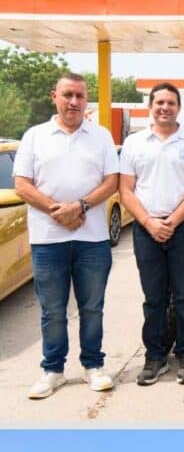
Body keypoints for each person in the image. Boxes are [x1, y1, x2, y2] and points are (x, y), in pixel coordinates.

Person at [13, 72, 119, 400]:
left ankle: (93, 365)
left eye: (80, 96)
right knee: (53, 310)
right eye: (68, 95)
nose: (74, 102)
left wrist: (81, 206)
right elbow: (23, 184)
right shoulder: (34, 136)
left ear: (87, 100)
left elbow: (112, 180)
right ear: (54, 97)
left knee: (92, 307)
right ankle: (53, 370)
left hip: (92, 239)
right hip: (48, 239)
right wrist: (59, 210)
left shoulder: (100, 137)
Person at [119, 82, 184, 386]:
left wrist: (171, 221)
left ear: (178, 108)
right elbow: (125, 189)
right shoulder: (134, 143)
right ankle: (155, 356)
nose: (164, 107)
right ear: (150, 107)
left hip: (183, 228)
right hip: (146, 229)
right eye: (159, 102)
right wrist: (148, 221)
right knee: (154, 298)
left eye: (171, 103)